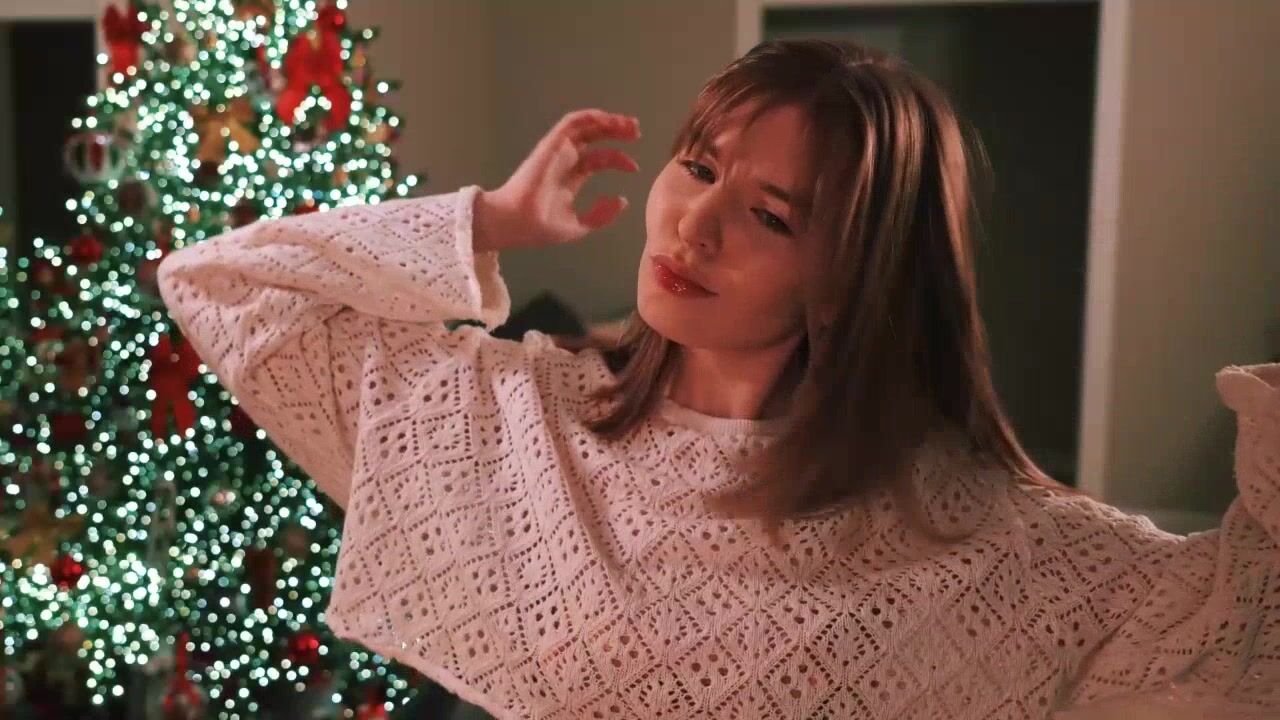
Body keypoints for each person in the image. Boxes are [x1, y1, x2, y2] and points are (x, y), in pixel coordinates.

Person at [157, 39, 1279, 719]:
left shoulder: (976, 537)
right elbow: (221, 286)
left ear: (851, 277)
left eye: (769, 215)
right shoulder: (515, 420)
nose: (693, 223)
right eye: (696, 167)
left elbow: (1240, 620)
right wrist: (489, 219)